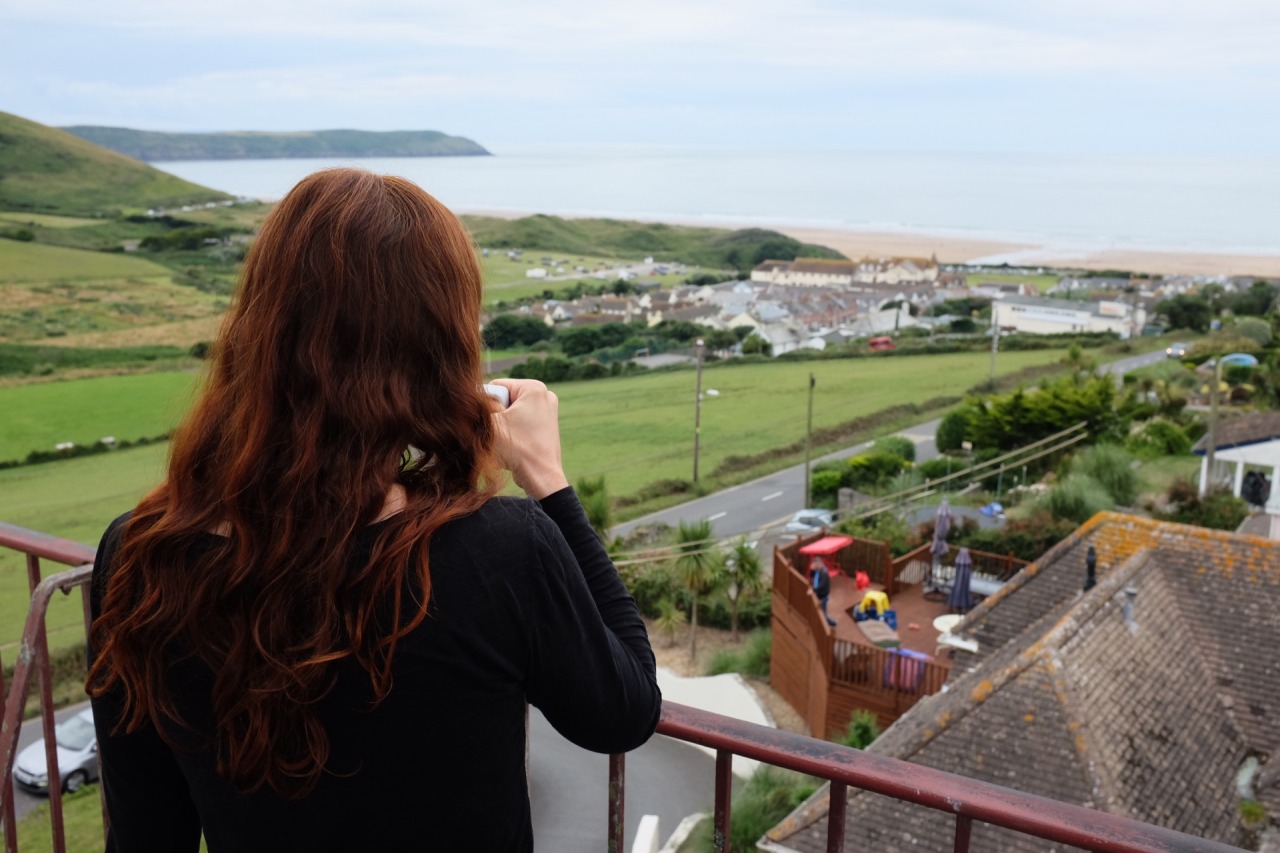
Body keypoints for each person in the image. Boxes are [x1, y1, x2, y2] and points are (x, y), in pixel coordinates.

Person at [85, 168, 661, 852]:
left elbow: (147, 834)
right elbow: (624, 710)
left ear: (259, 329)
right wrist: (547, 478)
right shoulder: (499, 551)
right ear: (437, 351)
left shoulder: (141, 552)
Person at [810, 557, 837, 627]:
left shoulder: (824, 573)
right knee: (822, 611)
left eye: (815, 565)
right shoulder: (817, 570)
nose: (815, 566)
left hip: (823, 595)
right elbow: (811, 576)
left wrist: (813, 590)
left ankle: (831, 623)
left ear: (819, 564)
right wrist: (811, 570)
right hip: (819, 594)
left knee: (823, 612)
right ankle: (831, 623)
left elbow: (822, 585)